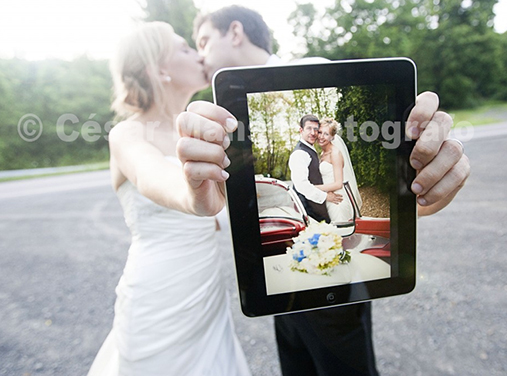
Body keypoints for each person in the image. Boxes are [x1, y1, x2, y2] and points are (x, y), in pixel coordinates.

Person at [178, 5, 470, 376]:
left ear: (234, 32)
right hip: (287, 285)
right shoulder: (228, 123)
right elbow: (293, 187)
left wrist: (418, 178)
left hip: (331, 285)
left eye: (204, 41)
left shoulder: (311, 69)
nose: (201, 54)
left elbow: (309, 184)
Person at [87, 22, 250, 376]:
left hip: (207, 293)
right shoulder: (127, 134)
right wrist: (193, 198)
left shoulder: (209, 129)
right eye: (184, 48)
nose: (198, 53)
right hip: (158, 295)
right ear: (158, 69)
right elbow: (151, 176)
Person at [288, 114, 342, 223]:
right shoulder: (299, 153)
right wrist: (326, 196)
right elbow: (301, 186)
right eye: (309, 128)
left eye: (315, 129)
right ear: (301, 130)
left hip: (317, 208)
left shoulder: (311, 149)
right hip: (308, 210)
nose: (313, 133)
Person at [315, 118, 362, 222]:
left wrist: (314, 188)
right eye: (320, 132)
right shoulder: (323, 153)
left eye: (326, 134)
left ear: (332, 137)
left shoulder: (335, 153)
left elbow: (338, 184)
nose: (321, 137)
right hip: (328, 197)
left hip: (337, 199)